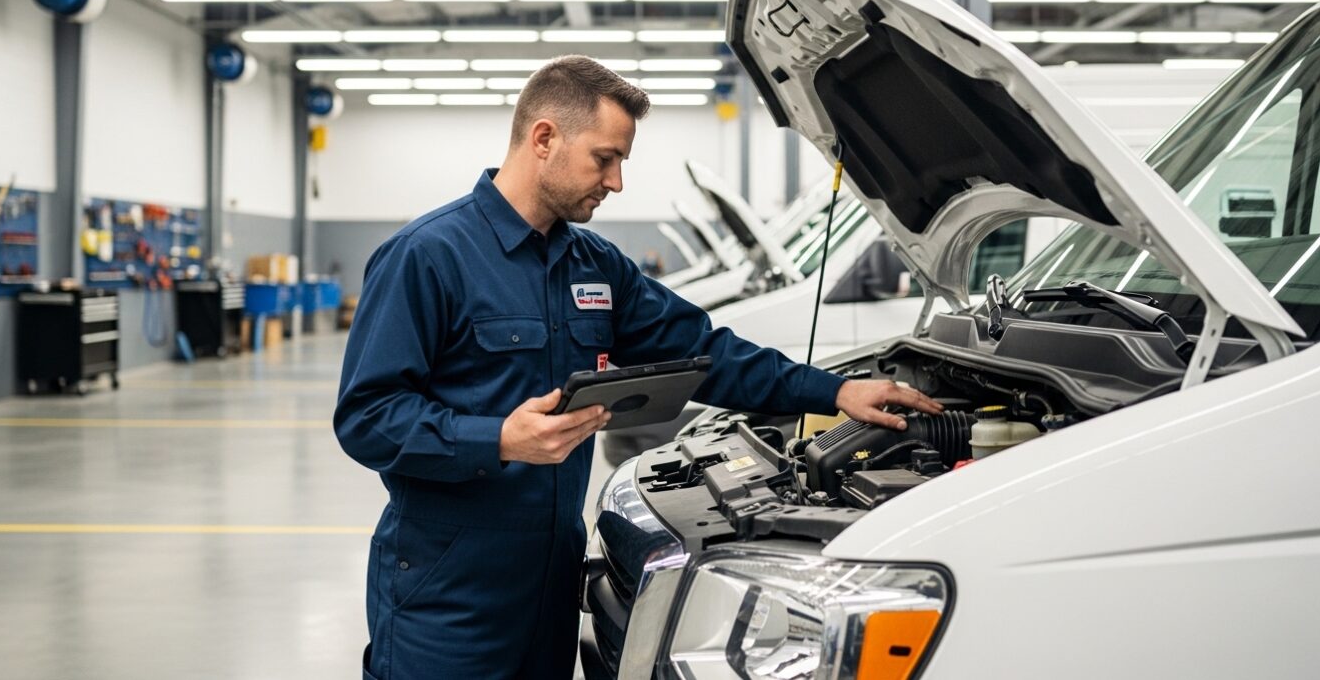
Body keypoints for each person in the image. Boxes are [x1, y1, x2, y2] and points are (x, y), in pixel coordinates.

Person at [333, 55, 943, 680]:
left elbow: (705, 353)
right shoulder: (427, 257)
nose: (617, 182)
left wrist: (836, 390)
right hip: (448, 587)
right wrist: (499, 439)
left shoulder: (595, 266)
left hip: (550, 583)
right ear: (544, 138)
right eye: (605, 158)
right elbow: (367, 417)